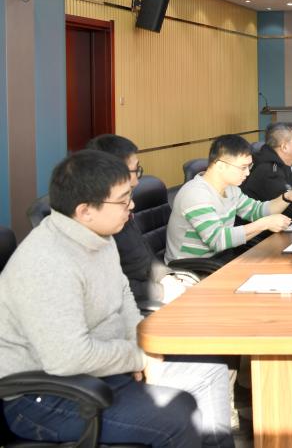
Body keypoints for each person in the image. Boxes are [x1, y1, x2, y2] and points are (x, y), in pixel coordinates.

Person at [0, 150, 234, 447]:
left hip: (102, 371)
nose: (131, 205)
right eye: (123, 200)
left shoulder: (100, 236)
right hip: (47, 399)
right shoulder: (47, 263)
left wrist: (139, 348)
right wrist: (138, 356)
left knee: (209, 371)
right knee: (175, 414)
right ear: (85, 211)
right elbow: (69, 358)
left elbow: (123, 298)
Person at [164, 134, 292, 263]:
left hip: (220, 259)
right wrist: (264, 224)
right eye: (242, 167)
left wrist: (287, 197)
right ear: (220, 166)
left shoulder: (230, 189)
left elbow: (257, 211)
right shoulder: (196, 194)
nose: (247, 173)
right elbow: (218, 240)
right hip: (192, 269)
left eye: (249, 166)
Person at [84, 134, 193, 305]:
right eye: (136, 169)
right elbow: (107, 287)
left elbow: (144, 254)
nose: (132, 205)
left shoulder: (122, 207)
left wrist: (166, 276)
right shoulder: (97, 219)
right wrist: (159, 291)